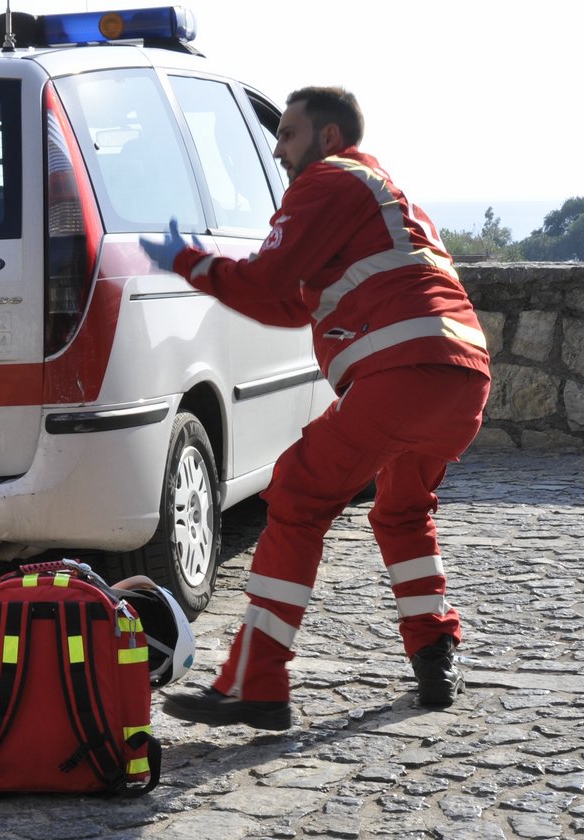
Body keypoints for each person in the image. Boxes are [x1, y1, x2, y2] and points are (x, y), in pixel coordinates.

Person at [139, 86, 491, 731]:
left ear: (327, 138)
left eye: (289, 135)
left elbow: (268, 281)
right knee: (404, 511)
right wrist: (202, 272)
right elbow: (287, 304)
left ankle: (257, 681)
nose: (277, 150)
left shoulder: (327, 180)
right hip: (460, 377)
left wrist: (186, 259)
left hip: (401, 370)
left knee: (299, 493)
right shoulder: (375, 193)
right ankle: (435, 651)